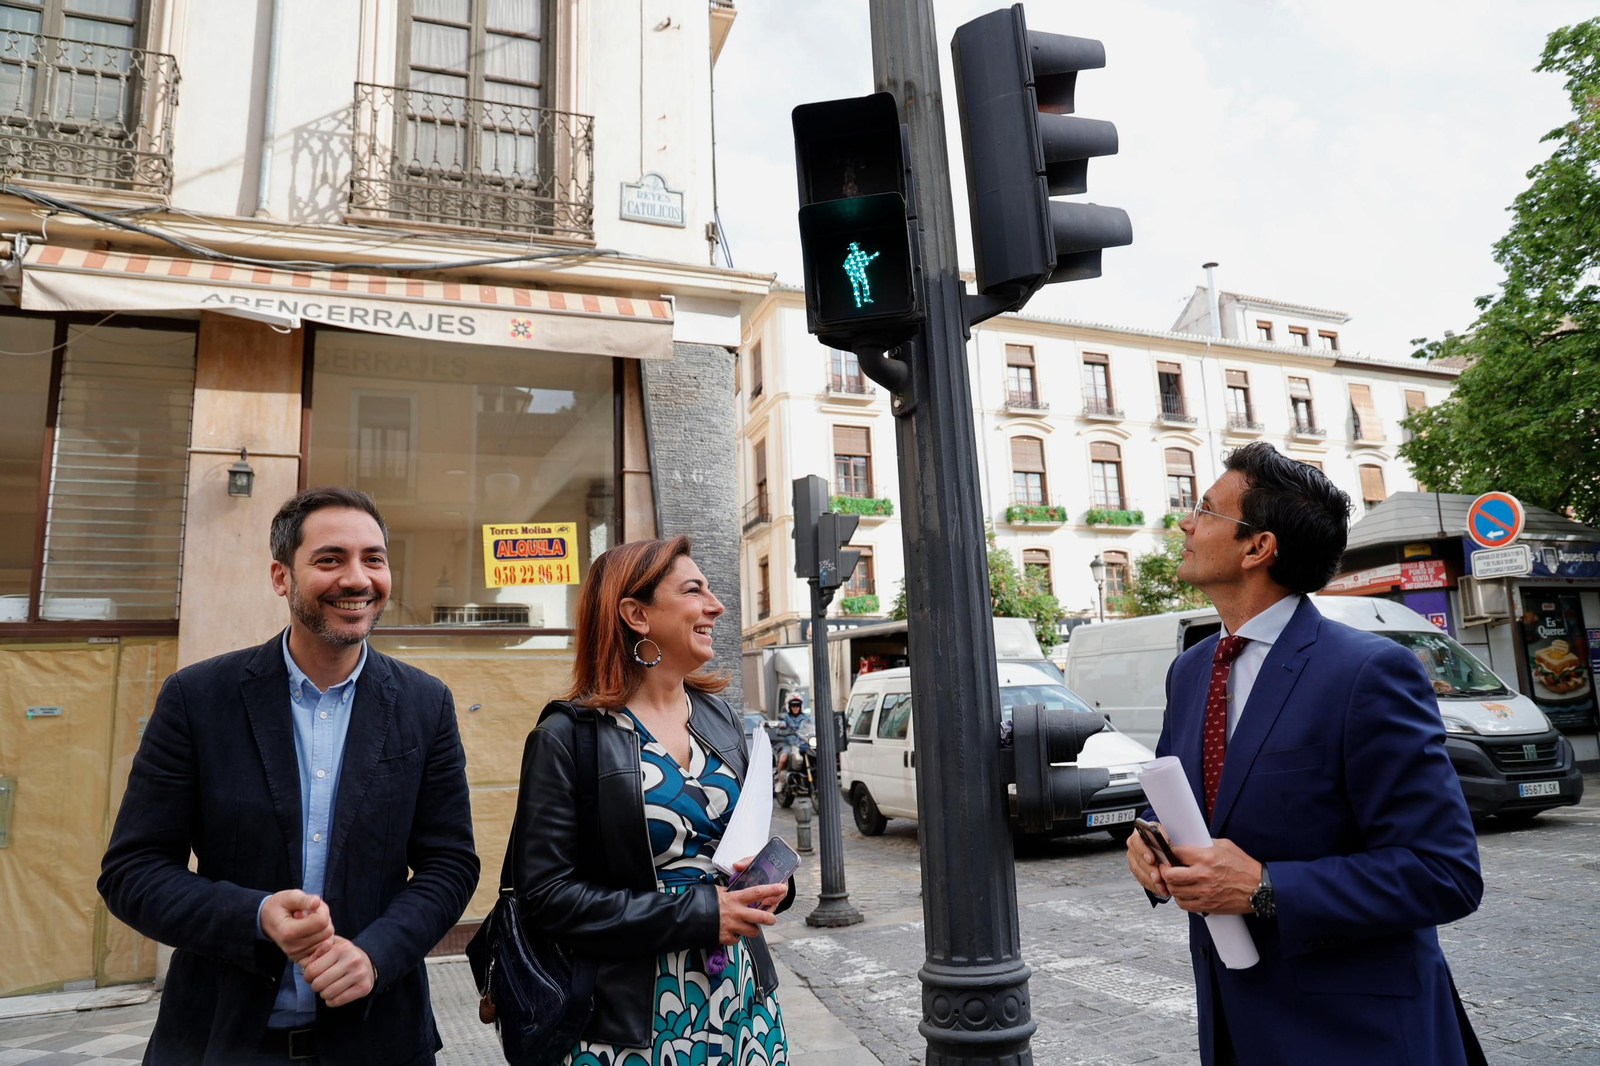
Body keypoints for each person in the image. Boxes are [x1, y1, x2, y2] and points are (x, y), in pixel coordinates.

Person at [1124, 442, 1484, 1065]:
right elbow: (1194, 811)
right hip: (1235, 1023)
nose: (1185, 521)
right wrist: (1155, 852)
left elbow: (1444, 874)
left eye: (1206, 510)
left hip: (1355, 1033)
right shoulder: (1189, 671)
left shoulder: (1367, 672)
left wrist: (1266, 888)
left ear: (1257, 548)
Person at [99, 488, 480, 1064]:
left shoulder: (424, 704)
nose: (358, 579)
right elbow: (133, 872)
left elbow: (449, 864)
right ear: (282, 576)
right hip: (222, 1040)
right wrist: (254, 916)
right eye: (330, 559)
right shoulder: (198, 699)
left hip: (379, 1041)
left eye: (373, 558)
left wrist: (376, 954)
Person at [515, 536, 794, 1064]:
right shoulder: (567, 735)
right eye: (695, 591)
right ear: (635, 615)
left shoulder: (720, 719)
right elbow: (547, 897)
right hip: (630, 1021)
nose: (716, 605)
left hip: (744, 1002)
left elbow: (738, 842)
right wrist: (698, 913)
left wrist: (768, 885)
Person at [773, 696, 814, 777]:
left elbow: (812, 721)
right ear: (790, 707)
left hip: (803, 743)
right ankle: (780, 780)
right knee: (783, 758)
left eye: (797, 706)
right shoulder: (786, 717)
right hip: (790, 744)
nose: (795, 708)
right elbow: (783, 722)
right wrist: (782, 725)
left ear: (800, 707)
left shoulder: (805, 717)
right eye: (793, 706)